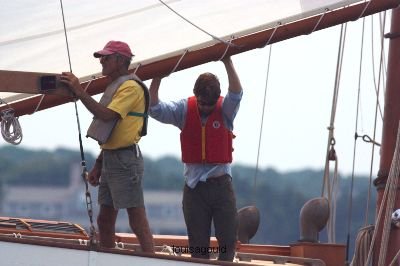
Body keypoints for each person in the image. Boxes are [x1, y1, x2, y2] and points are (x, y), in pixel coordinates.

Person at [60, 40, 154, 253]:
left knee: (136, 218)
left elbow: (105, 115)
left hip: (125, 160)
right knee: (104, 219)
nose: (101, 61)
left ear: (121, 61)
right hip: (113, 157)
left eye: (106, 57)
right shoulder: (119, 85)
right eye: (102, 57)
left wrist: (78, 90)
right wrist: (98, 165)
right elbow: (112, 133)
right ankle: (107, 258)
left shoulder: (130, 87)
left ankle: (151, 258)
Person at [149, 56, 243, 261]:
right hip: (194, 189)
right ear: (195, 96)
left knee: (228, 242)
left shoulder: (225, 111)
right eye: (202, 103)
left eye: (210, 105)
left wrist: (227, 61)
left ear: (217, 99)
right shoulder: (184, 110)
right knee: (199, 249)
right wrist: (157, 79)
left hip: (221, 186)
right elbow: (155, 109)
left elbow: (236, 93)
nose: (205, 108)